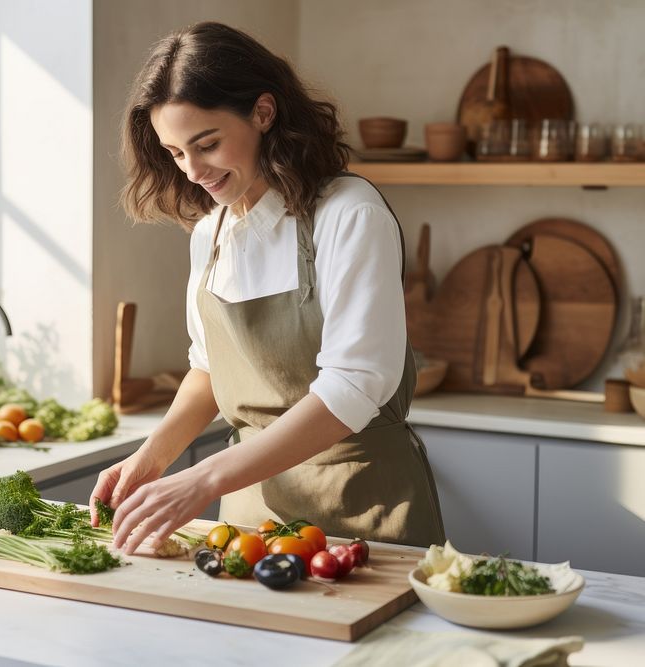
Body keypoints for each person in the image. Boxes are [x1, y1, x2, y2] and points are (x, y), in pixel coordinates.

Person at [91, 21, 444, 555]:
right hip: (248, 519)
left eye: (206, 144)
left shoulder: (349, 214)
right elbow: (210, 369)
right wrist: (152, 457)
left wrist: (204, 478)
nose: (192, 171)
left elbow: (353, 387)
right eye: (175, 152)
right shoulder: (210, 233)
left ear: (263, 112)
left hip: (364, 513)